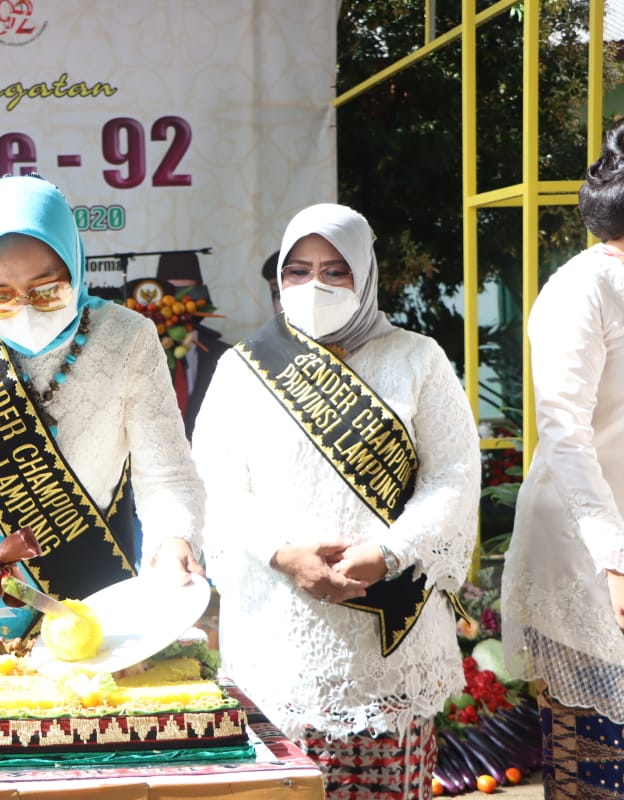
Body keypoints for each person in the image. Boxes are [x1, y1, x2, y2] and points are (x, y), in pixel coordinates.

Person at [192, 203, 479, 797]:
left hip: (389, 637)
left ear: (365, 275)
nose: (314, 285)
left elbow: (452, 474)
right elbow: (217, 482)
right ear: (278, 280)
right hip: (280, 636)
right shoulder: (242, 370)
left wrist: (392, 550)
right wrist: (281, 553)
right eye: (297, 271)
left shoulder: (417, 358)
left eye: (335, 271)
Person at [0, 175, 205, 644]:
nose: (25, 309)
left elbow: (168, 479)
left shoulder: (127, 339)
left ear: (75, 265)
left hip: (95, 594)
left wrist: (174, 540)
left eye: (47, 290)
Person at [501, 117, 624, 799]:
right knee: (595, 772)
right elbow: (566, 433)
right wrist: (614, 558)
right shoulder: (583, 288)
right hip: (588, 554)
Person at [154, 251, 230, 439]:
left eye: (189, 294)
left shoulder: (225, 356)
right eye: (172, 294)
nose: (180, 303)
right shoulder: (142, 354)